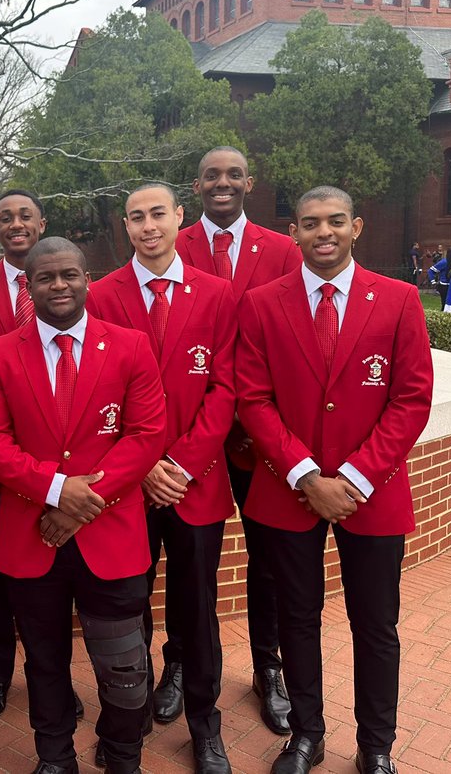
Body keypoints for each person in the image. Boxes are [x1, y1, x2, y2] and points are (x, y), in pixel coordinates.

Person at [236, 186, 433, 774]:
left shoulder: (398, 299)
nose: (324, 232)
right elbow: (254, 398)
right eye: (310, 223)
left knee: (375, 624)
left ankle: (376, 746)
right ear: (293, 231)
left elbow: (411, 398)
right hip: (287, 491)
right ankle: (306, 734)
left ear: (357, 227)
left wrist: (351, 477)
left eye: (335, 222)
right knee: (295, 618)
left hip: (370, 493)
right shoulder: (263, 303)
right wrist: (305, 476)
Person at [0, 237, 167, 774]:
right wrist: (58, 490)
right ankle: (55, 759)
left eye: (69, 276)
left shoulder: (130, 346)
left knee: (124, 668)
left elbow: (147, 434)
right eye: (45, 278)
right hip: (31, 540)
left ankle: (123, 753)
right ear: (28, 286)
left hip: (113, 539)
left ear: (88, 278)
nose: (58, 286)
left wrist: (85, 500)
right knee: (45, 664)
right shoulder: (0, 352)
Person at [88, 184, 237, 774]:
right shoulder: (100, 296)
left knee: (197, 611)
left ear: (180, 218)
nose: (148, 226)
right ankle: (127, 721)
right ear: (125, 227)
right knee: (126, 610)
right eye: (136, 217)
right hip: (128, 485)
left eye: (158, 214)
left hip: (195, 484)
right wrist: (144, 465)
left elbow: (226, 388)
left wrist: (181, 463)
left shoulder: (219, 295)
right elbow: (99, 394)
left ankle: (205, 727)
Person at [174, 146, 300, 735]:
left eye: (232, 174)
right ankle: (180, 661)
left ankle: (268, 669)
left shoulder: (280, 250)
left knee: (268, 560)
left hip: (257, 437)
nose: (221, 184)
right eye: (210, 176)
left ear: (250, 181)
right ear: (195, 186)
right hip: (189, 435)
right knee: (187, 561)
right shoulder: (171, 243)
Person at [0, 189, 80, 721]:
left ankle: (53, 678)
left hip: (61, 465)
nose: (15, 224)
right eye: (5, 217)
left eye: (25, 216)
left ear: (41, 222)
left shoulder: (68, 283)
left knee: (59, 583)